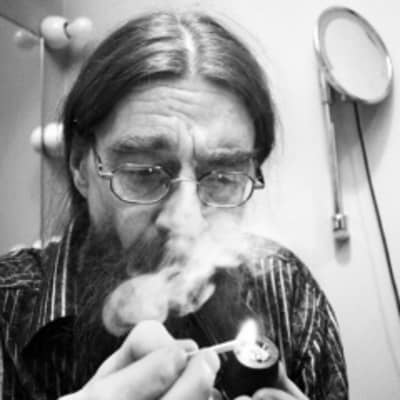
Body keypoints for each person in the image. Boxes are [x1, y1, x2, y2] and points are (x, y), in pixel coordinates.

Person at [0, 10, 348, 400]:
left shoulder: (289, 293)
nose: (186, 222)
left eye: (222, 177)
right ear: (80, 166)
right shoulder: (7, 311)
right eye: (144, 172)